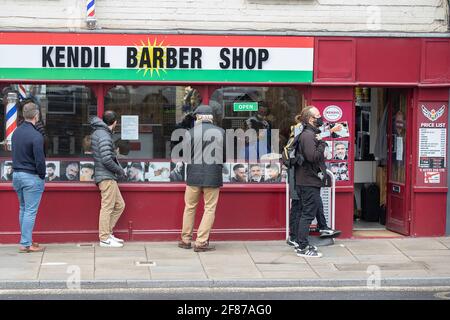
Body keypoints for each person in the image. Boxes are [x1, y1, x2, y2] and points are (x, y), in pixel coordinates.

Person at [295, 106, 341, 258]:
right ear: (310, 119)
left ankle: (301, 243)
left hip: (308, 180)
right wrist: (322, 144)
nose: (320, 117)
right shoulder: (308, 136)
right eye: (318, 115)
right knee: (307, 214)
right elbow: (312, 157)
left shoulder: (310, 134)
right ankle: (302, 247)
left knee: (306, 213)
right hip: (308, 181)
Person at [178, 104, 225, 252]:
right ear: (211, 117)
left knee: (190, 207)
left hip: (193, 175)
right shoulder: (221, 132)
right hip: (213, 175)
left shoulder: (189, 133)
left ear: (198, 117)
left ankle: (185, 240)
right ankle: (201, 242)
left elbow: (185, 156)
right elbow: (223, 157)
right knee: (209, 208)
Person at [11, 102, 45, 253]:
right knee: (30, 211)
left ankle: (26, 240)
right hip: (31, 176)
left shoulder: (16, 132)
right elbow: (40, 160)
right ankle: (25, 244)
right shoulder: (36, 136)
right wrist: (42, 175)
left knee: (23, 209)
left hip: (17, 175)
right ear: (36, 116)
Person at [91, 111, 126, 248]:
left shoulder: (99, 132)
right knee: (107, 207)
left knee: (120, 205)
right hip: (106, 176)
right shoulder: (104, 135)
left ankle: (108, 232)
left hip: (107, 176)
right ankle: (104, 238)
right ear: (115, 122)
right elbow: (106, 159)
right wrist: (119, 170)